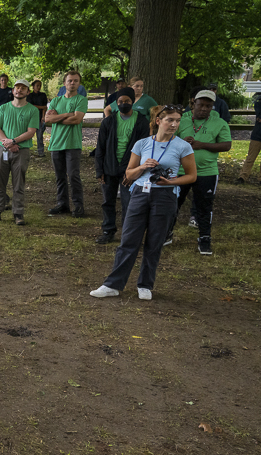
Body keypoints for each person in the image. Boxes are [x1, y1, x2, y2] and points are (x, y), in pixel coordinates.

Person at [90, 105, 197, 300]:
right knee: (129, 240)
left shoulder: (183, 146)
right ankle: (112, 285)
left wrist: (170, 181)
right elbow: (129, 173)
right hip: (140, 193)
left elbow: (191, 176)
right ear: (158, 121)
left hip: (165, 196)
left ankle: (145, 284)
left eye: (177, 121)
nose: (174, 124)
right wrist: (143, 167)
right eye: (169, 120)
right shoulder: (142, 143)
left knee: (155, 242)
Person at [167, 90, 231, 255]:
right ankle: (166, 233)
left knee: (204, 206)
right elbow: (166, 138)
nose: (204, 108)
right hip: (181, 170)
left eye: (208, 106)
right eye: (201, 104)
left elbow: (226, 145)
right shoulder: (181, 119)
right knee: (172, 203)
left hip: (207, 172)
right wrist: (181, 142)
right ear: (192, 103)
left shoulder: (220, 122)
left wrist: (202, 145)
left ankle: (204, 238)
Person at [93, 87, 150, 244]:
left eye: (127, 101)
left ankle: (129, 233)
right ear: (116, 103)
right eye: (120, 102)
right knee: (107, 201)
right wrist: (100, 170)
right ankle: (108, 230)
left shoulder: (141, 122)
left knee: (129, 203)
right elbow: (100, 147)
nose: (124, 104)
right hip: (109, 167)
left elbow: (145, 149)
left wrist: (137, 171)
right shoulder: (109, 122)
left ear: (132, 102)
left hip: (130, 170)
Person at [0, 80, 40, 225]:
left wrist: (14, 141)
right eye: (17, 88)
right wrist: (8, 143)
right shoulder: (3, 108)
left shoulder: (33, 110)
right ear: (13, 90)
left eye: (23, 88)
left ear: (28, 92)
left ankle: (18, 213)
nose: (19, 90)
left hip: (21, 151)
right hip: (1, 149)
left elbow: (31, 132)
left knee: (18, 183)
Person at [45, 71, 88, 217]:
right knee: (60, 176)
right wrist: (66, 114)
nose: (72, 83)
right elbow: (47, 120)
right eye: (70, 81)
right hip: (56, 144)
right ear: (64, 83)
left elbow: (76, 120)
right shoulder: (56, 101)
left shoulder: (81, 100)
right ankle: (62, 204)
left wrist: (56, 117)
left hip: (72, 144)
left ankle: (78, 206)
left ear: (79, 83)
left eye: (76, 81)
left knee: (74, 175)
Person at [236, 92, 261, 183]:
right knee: (250, 158)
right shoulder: (259, 102)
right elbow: (259, 118)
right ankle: (243, 177)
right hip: (257, 135)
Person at [25, 79, 49, 157]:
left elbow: (45, 107)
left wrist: (43, 117)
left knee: (40, 136)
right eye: (37, 85)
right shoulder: (29, 96)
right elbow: (31, 106)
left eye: (40, 85)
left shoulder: (43, 95)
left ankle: (41, 152)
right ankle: (26, 151)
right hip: (30, 118)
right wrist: (41, 107)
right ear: (33, 86)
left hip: (39, 117)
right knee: (27, 135)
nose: (39, 87)